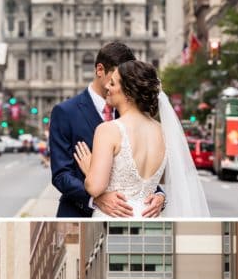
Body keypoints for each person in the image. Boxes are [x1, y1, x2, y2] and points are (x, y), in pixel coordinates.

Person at [74, 59, 209, 218]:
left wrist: (90, 168)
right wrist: (160, 195)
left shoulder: (108, 130)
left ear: (128, 92)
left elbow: (95, 187)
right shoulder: (163, 132)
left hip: (116, 217)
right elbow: (169, 177)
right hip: (150, 217)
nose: (106, 87)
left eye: (112, 83)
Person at [48, 42, 166, 219]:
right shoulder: (65, 112)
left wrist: (160, 196)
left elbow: (139, 174)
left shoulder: (135, 115)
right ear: (100, 70)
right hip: (79, 215)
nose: (123, 83)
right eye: (117, 77)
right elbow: (61, 175)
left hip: (137, 214)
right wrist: (97, 199)